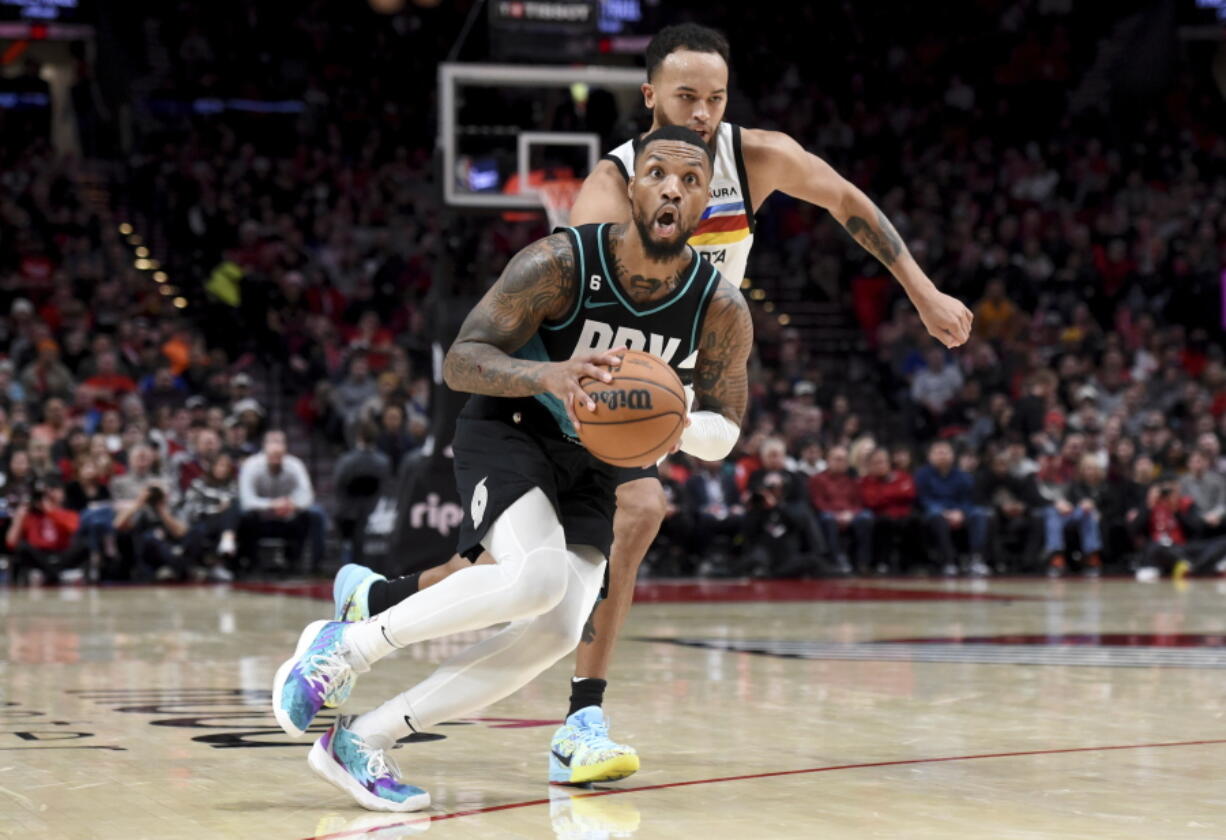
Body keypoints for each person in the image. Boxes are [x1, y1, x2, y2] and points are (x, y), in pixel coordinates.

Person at [324, 22, 973, 780]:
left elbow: (845, 199)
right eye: (685, 95)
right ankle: (579, 717)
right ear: (649, 97)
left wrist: (923, 293)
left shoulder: (755, 156)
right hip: (593, 375)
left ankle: (381, 598)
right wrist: (595, 403)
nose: (701, 112)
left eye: (715, 98)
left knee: (536, 567)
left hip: (678, 370)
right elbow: (584, 316)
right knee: (620, 522)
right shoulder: (613, 184)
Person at [272, 126, 752, 810]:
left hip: (595, 462)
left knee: (556, 630)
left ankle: (362, 741)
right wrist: (550, 375)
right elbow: (461, 359)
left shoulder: (721, 308)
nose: (673, 187)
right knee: (534, 579)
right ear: (633, 185)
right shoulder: (559, 262)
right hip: (513, 427)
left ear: (706, 203)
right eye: (657, 173)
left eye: (692, 180)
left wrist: (678, 428)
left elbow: (727, 428)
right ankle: (345, 649)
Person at [237, 429, 326, 574]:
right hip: (260, 520)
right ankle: (249, 563)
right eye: (272, 448)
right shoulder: (251, 465)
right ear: (264, 449)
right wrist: (272, 504)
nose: (275, 457)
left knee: (316, 513)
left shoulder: (295, 464)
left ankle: (312, 566)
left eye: (279, 445)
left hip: (288, 518)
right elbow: (246, 501)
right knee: (242, 515)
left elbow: (308, 496)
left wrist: (292, 504)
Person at [915, 440, 991, 576]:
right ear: (929, 456)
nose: (942, 455)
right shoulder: (922, 475)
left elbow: (968, 499)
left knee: (980, 513)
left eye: (945, 452)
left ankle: (976, 559)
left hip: (958, 511)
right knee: (936, 518)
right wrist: (944, 512)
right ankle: (948, 561)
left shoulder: (963, 476)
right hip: (936, 512)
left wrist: (961, 512)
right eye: (938, 452)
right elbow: (924, 499)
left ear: (953, 455)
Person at [809, 445, 873, 574]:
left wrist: (851, 514)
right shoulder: (817, 479)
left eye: (843, 460)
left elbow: (858, 502)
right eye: (837, 459)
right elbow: (818, 502)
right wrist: (836, 515)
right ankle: (837, 560)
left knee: (866, 517)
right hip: (829, 514)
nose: (840, 463)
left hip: (850, 514)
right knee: (827, 519)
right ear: (828, 460)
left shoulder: (852, 480)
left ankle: (862, 561)